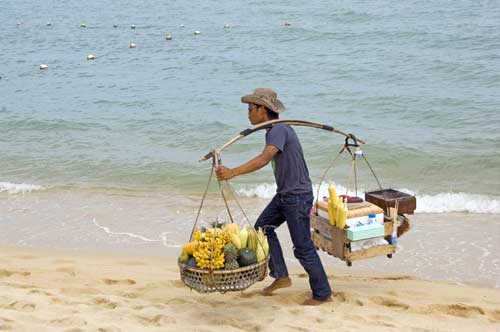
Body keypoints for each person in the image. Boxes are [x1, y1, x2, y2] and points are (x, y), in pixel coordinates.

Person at [216, 88, 332, 305]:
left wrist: (232, 173)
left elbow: (264, 158)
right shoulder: (274, 130)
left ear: (262, 109)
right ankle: (281, 275)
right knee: (262, 228)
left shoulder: (278, 130)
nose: (248, 114)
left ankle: (322, 294)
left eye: (251, 109)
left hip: (296, 197)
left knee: (303, 248)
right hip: (285, 195)